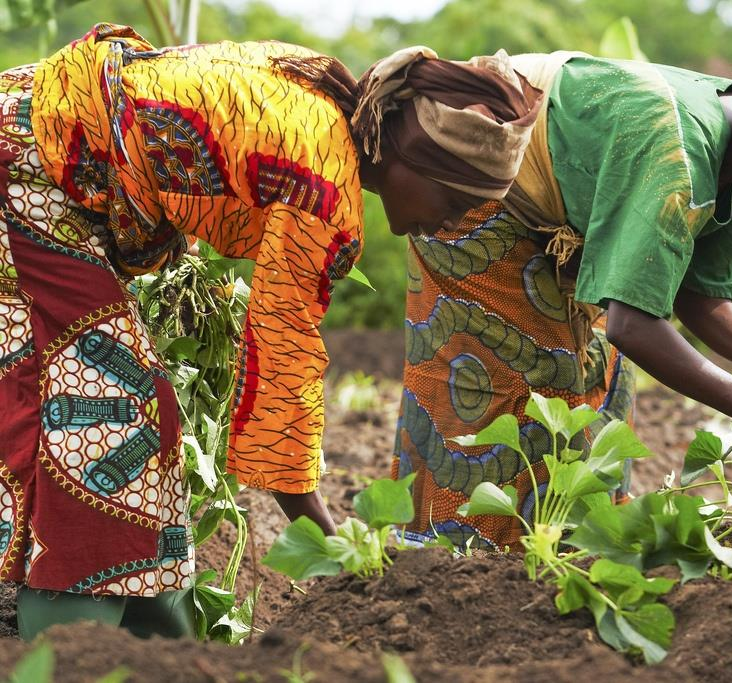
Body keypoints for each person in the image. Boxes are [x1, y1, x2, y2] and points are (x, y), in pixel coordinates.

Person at [0, 23, 540, 639]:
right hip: (24, 175)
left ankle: (166, 651)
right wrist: (335, 550)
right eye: (457, 200)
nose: (451, 223)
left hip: (35, 155)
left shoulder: (324, 88)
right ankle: (65, 645)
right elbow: (282, 371)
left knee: (138, 423)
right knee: (101, 417)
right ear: (420, 163)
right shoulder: (325, 190)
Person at [394, 53, 732, 550]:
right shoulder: (677, 151)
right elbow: (633, 323)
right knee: (507, 387)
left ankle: (572, 558)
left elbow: (695, 292)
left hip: (567, 226)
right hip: (480, 188)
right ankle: (451, 566)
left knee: (601, 382)